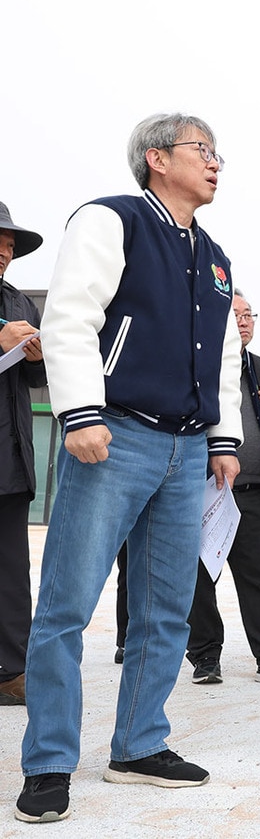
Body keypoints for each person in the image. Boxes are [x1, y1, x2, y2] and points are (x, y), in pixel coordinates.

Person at [15, 113, 241, 824]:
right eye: (202, 151)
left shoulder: (214, 255)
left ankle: (139, 745)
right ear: (156, 158)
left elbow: (225, 356)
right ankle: (49, 761)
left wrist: (225, 439)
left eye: (216, 153)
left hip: (185, 451)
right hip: (115, 436)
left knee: (165, 609)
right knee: (66, 608)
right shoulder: (112, 221)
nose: (215, 163)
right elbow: (73, 316)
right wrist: (79, 411)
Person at [185, 291, 260, 688]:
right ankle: (204, 656)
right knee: (197, 577)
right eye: (236, 315)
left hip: (251, 492)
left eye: (249, 315)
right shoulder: (196, 362)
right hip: (202, 489)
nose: (245, 322)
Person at [0, 202, 46, 709]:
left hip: (10, 457)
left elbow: (34, 382)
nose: (4, 254)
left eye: (10, 247)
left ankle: (12, 671)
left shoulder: (20, 302)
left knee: (11, 570)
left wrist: (37, 355)